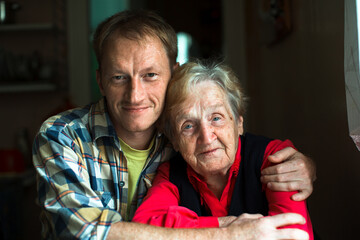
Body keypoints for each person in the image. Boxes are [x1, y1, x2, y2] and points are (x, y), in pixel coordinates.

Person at [32, 10, 316, 239]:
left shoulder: (182, 134)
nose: (136, 95)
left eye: (150, 75)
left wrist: (308, 168)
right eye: (119, 77)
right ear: (100, 81)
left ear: (174, 73)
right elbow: (86, 232)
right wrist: (227, 232)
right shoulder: (62, 136)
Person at [132, 60, 314, 240]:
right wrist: (226, 228)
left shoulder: (274, 157)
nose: (206, 137)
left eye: (216, 118)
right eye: (188, 126)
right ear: (175, 141)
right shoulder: (170, 174)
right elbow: (145, 229)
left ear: (239, 123)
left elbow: (293, 234)